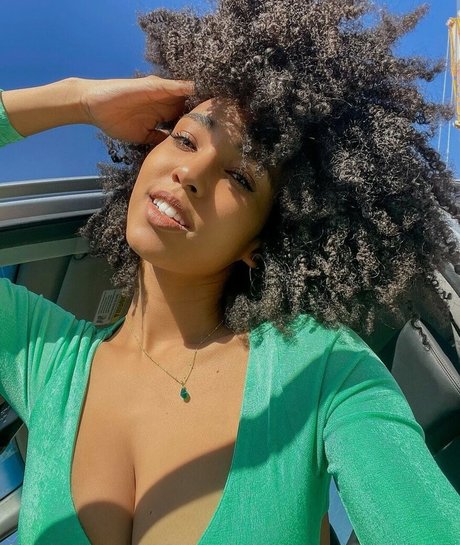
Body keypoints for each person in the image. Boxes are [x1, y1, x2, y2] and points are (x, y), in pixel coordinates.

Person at [1, 1, 460, 544]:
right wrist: (76, 98)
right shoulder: (46, 357)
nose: (191, 172)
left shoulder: (321, 368)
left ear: (258, 243)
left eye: (240, 177)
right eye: (185, 139)